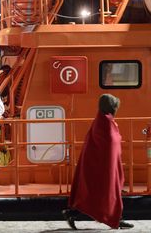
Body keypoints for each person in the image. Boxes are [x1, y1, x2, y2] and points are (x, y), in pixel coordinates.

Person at [63, 94, 133, 230]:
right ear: (111, 107)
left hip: (103, 164)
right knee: (106, 193)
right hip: (103, 166)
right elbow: (111, 142)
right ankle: (116, 219)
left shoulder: (102, 119)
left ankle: (72, 213)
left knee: (101, 193)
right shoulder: (105, 122)